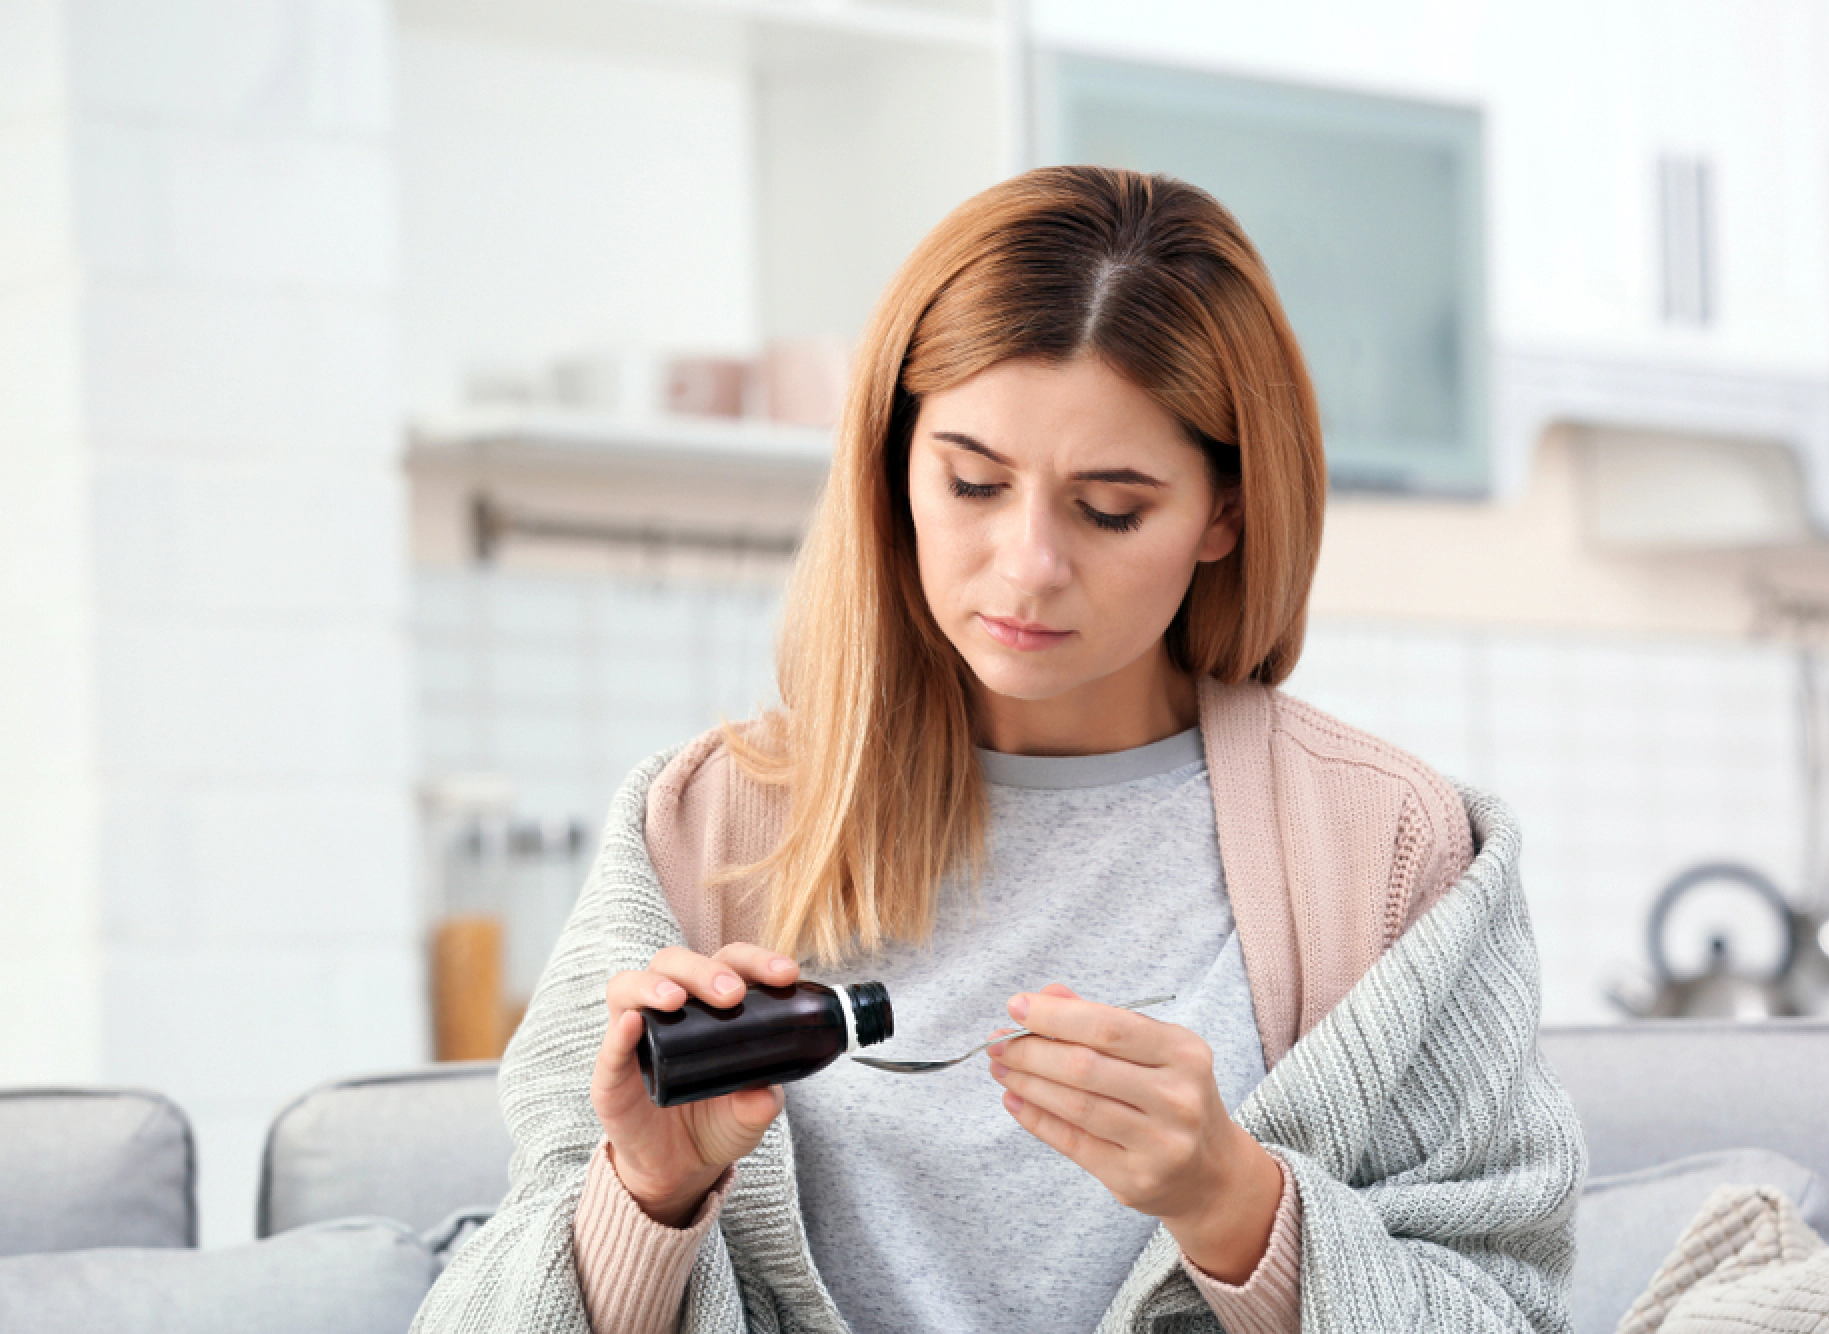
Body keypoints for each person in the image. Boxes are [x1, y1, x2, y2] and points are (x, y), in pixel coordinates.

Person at [414, 166, 1584, 1334]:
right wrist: (647, 1196)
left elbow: (1501, 1309)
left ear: (1223, 512)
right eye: (972, 481)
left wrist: (1236, 1203)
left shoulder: (1383, 849)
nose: (1026, 562)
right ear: (893, 465)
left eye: (1110, 507)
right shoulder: (706, 824)